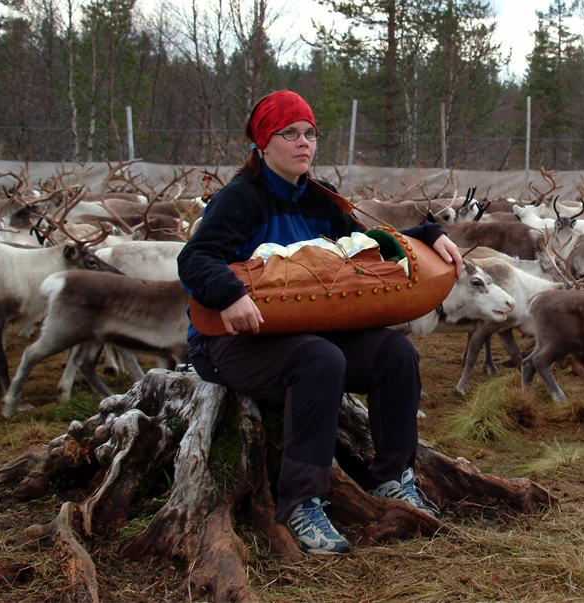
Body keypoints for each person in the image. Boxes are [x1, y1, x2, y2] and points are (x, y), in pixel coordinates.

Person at [177, 90, 463, 555]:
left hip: (307, 332)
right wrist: (228, 295)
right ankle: (302, 502)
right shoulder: (239, 199)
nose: (303, 143)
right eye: (289, 133)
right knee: (319, 360)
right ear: (263, 142)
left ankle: (392, 477)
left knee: (395, 353)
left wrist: (429, 235)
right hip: (230, 342)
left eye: (310, 133)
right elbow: (195, 259)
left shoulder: (318, 199)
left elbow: (363, 245)